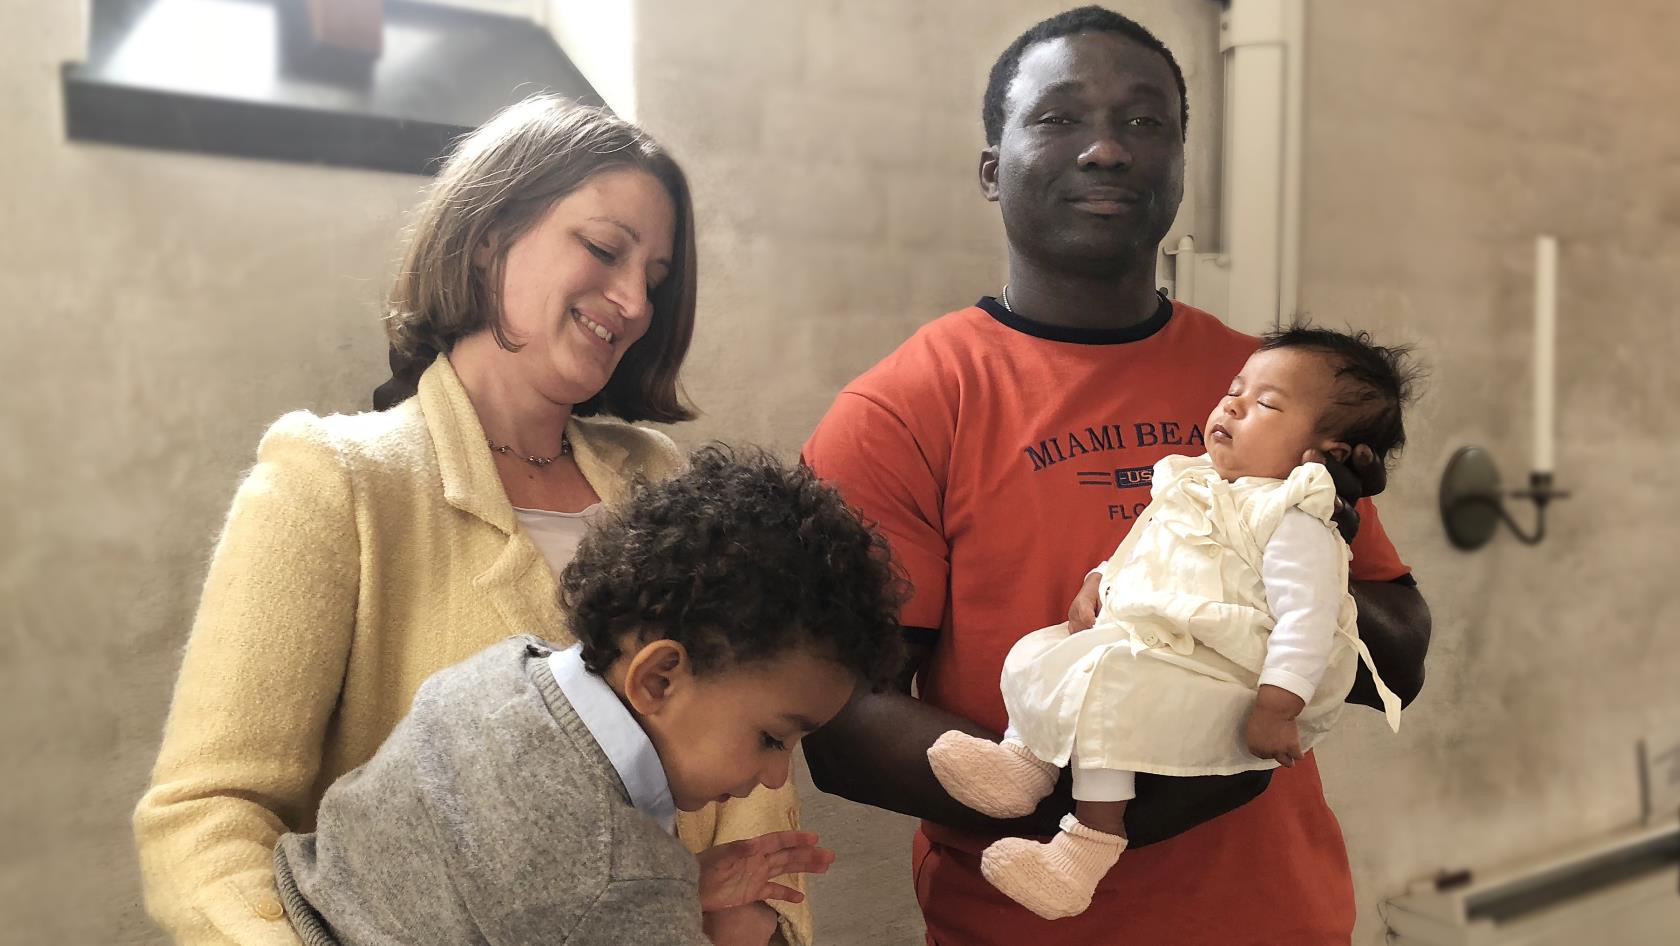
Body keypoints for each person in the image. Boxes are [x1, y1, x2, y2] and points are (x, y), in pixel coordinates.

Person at [800, 7, 1432, 944]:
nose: (1107, 149)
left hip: (1282, 916)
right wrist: (1110, 799)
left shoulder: (1269, 392)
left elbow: (1401, 649)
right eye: (1059, 118)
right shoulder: (902, 410)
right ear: (990, 167)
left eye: (1146, 123)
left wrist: (1311, 532)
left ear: (1181, 166)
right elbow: (842, 720)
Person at [134, 97, 811, 946]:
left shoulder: (659, 479)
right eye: (604, 249)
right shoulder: (332, 484)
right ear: (489, 236)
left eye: (658, 279)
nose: (635, 301)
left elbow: (758, 774)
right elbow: (203, 818)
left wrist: (753, 925)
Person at [271, 447, 906, 946]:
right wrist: (676, 908)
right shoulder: (613, 879)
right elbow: (584, 883)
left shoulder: (511, 669)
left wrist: (677, 886)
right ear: (658, 678)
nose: (774, 778)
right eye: (773, 738)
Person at [928, 328, 1417, 919]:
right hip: (1162, 632)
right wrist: (1100, 578)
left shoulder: (1294, 519)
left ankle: (1088, 841)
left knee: (1113, 690)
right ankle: (1026, 761)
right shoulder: (1195, 482)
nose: (1232, 405)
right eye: (1235, 390)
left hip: (1224, 661)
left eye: (1265, 403)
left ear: (1328, 455)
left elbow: (1307, 621)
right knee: (1040, 651)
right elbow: (1152, 544)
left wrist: (1277, 706)